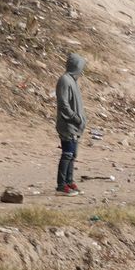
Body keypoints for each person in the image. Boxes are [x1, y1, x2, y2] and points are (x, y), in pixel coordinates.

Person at [55, 53, 85, 195]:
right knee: (67, 154)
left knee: (73, 154)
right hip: (68, 124)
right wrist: (74, 118)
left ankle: (69, 181)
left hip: (75, 125)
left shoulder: (73, 80)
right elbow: (63, 103)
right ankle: (61, 185)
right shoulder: (65, 80)